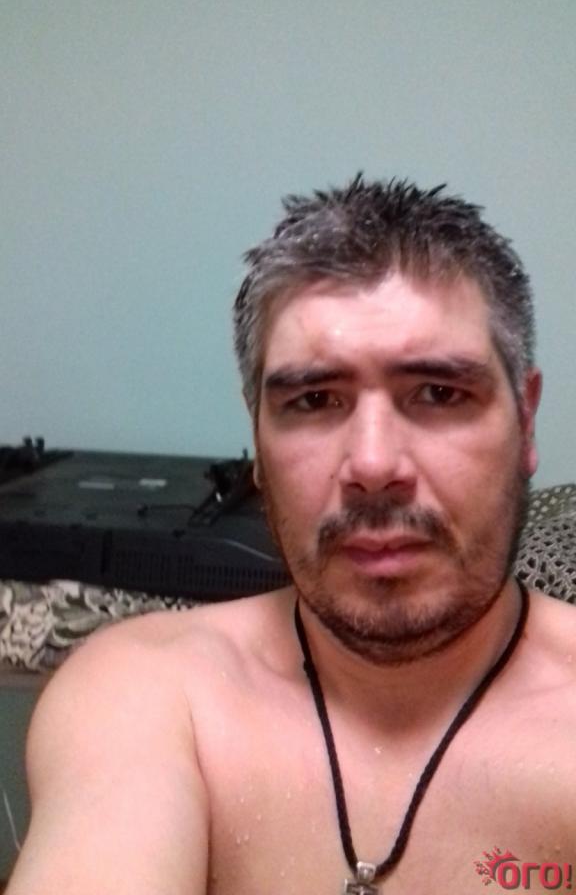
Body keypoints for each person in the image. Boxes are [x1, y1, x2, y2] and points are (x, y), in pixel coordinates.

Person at [7, 176, 576, 895]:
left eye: (439, 393)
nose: (373, 465)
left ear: (525, 421)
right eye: (314, 400)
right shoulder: (147, 695)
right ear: (257, 441)